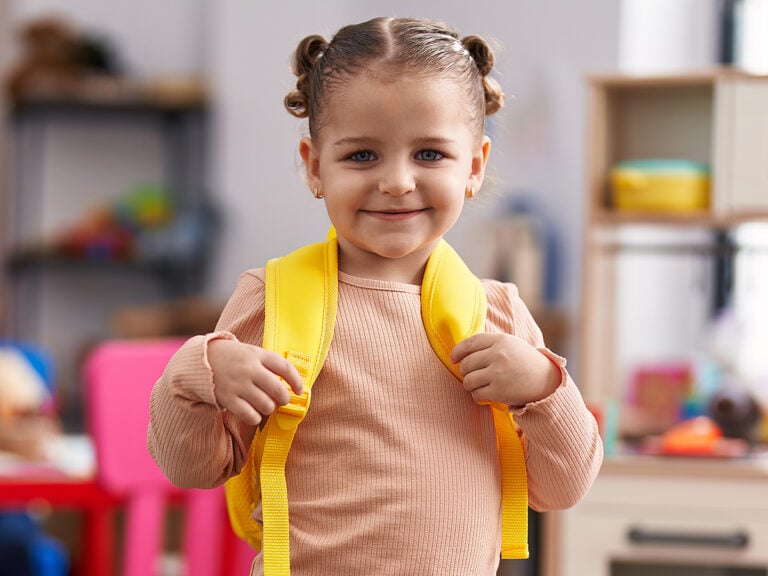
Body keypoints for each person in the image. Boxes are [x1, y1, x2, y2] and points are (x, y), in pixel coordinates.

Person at [147, 16, 602, 576]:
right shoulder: (271, 299)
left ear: (475, 167)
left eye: (430, 154)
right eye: (362, 155)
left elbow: (563, 489)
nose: (397, 181)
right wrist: (198, 373)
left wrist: (544, 387)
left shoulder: (500, 313)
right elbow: (191, 467)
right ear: (315, 167)